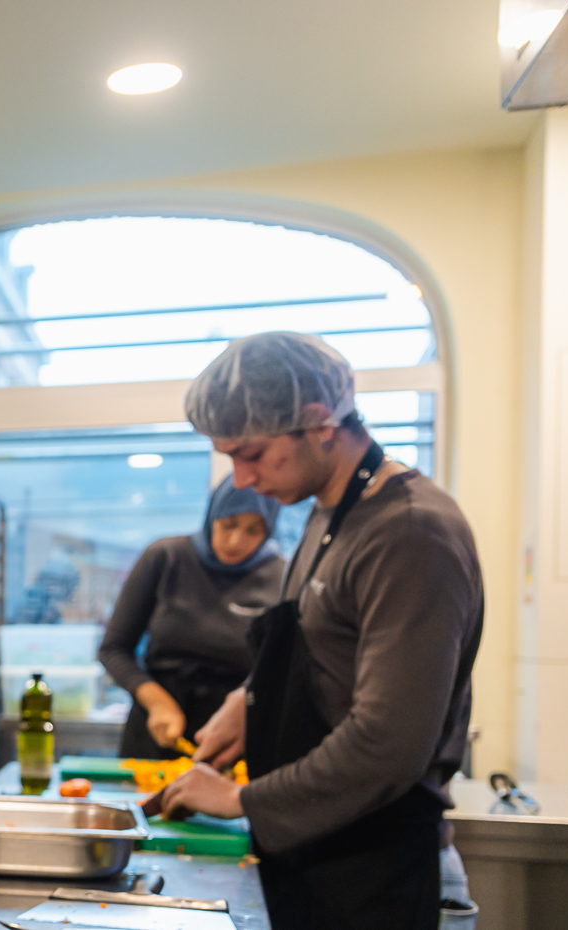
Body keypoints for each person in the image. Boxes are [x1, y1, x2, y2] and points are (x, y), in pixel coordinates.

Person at [149, 332, 482, 929]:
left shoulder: (408, 532)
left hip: (379, 866)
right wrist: (248, 702)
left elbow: (387, 745)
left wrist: (238, 800)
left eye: (250, 453)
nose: (242, 479)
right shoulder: (331, 514)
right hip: (324, 853)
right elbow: (325, 649)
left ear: (319, 421)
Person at [98, 476, 284, 759]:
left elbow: (280, 667)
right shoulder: (165, 557)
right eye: (229, 525)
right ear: (212, 517)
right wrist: (156, 701)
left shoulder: (281, 576)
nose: (236, 541)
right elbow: (113, 649)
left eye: (253, 530)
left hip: (235, 730)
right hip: (158, 724)